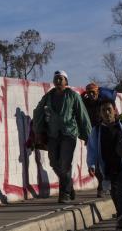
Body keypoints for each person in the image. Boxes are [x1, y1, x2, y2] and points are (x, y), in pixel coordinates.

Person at [32, 70, 92, 203]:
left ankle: (64, 193)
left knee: (65, 163)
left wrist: (88, 135)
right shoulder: (48, 96)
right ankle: (69, 185)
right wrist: (38, 130)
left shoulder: (72, 96)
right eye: (56, 79)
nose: (58, 81)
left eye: (61, 79)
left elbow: (82, 115)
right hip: (53, 134)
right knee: (54, 162)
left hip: (68, 134)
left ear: (66, 81)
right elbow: (38, 112)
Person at [87, 99, 122, 229]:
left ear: (114, 111)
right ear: (100, 114)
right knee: (114, 191)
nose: (107, 113)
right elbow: (91, 149)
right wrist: (91, 164)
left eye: (109, 109)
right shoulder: (96, 131)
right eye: (104, 110)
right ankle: (120, 214)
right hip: (107, 167)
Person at [81, 82, 107, 197]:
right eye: (89, 92)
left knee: (106, 160)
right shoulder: (85, 103)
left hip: (105, 134)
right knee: (94, 162)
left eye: (93, 92)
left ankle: (107, 183)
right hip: (91, 135)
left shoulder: (103, 103)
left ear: (97, 92)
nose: (91, 95)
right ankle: (101, 184)